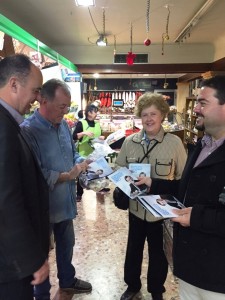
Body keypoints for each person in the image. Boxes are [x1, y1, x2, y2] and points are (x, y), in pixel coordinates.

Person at [21, 78, 92, 300]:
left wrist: (84, 162)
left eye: (68, 107)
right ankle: (41, 294)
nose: (65, 111)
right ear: (43, 101)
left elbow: (72, 154)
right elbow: (34, 172)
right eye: (61, 106)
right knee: (41, 253)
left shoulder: (63, 125)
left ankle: (68, 281)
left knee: (66, 244)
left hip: (65, 201)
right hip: (43, 207)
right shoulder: (28, 131)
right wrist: (66, 176)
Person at [115, 92, 187, 300]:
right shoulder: (130, 142)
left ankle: (156, 289)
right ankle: (132, 285)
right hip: (136, 210)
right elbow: (119, 167)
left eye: (153, 114)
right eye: (144, 114)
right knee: (133, 251)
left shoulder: (174, 144)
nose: (148, 119)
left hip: (161, 214)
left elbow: (183, 181)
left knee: (159, 254)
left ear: (162, 115)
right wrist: (125, 180)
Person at [170, 76, 225, 300]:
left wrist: (196, 217)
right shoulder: (202, 144)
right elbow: (189, 189)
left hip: (218, 276)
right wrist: (155, 185)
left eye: (203, 103)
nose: (195, 110)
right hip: (190, 268)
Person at [0, 54, 49, 300]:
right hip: (11, 263)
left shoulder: (9, 122)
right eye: (36, 91)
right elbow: (6, 200)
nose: (38, 99)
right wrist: (32, 259)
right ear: (14, 84)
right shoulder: (3, 127)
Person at [73, 104, 105, 201]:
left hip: (96, 154)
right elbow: (74, 136)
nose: (96, 114)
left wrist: (101, 138)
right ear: (89, 112)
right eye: (95, 111)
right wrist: (83, 133)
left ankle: (99, 188)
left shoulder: (97, 124)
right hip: (83, 153)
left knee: (98, 172)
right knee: (81, 173)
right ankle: (79, 193)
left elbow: (101, 135)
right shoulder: (81, 123)